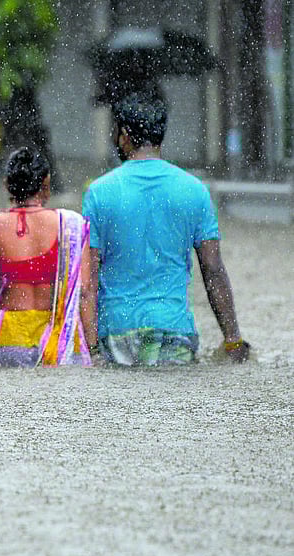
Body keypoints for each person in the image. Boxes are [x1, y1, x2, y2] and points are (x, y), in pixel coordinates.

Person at [82, 93, 250, 365]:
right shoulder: (195, 191)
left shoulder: (99, 193)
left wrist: (92, 351)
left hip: (116, 332)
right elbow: (213, 270)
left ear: (124, 135)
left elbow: (87, 282)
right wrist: (233, 339)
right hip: (173, 329)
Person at [0, 147, 97, 367]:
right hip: (59, 336)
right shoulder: (70, 226)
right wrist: (93, 348)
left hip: (9, 336)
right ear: (46, 183)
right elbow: (85, 291)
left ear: (7, 184)